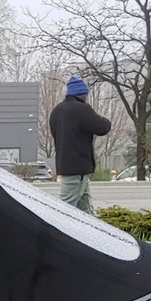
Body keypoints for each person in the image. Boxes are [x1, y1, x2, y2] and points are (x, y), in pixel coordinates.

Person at [47, 77, 111, 212]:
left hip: (64, 164)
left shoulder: (56, 111)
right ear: (82, 94)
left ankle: (93, 231)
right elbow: (102, 128)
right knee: (65, 209)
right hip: (78, 167)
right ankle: (53, 232)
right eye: (86, 94)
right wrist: (106, 120)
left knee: (85, 210)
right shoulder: (82, 109)